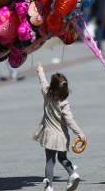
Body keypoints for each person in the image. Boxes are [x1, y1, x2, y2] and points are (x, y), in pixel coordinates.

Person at [32, 62, 85, 191]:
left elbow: (43, 82)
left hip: (50, 135)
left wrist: (40, 70)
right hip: (62, 136)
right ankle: (73, 173)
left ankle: (49, 186)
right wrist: (80, 133)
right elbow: (70, 120)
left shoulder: (46, 94)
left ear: (52, 86)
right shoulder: (64, 103)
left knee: (50, 162)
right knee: (62, 158)